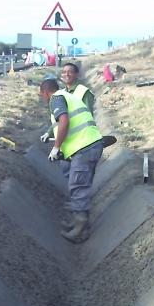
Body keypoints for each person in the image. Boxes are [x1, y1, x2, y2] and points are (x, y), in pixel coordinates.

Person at [39, 78, 103, 243]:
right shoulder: (65, 96)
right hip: (89, 145)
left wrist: (56, 147)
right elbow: (63, 123)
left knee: (78, 185)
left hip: (84, 147)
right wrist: (50, 134)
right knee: (79, 185)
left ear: (46, 92)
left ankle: (81, 229)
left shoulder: (56, 99)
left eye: (42, 95)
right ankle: (78, 221)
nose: (43, 98)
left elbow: (65, 121)